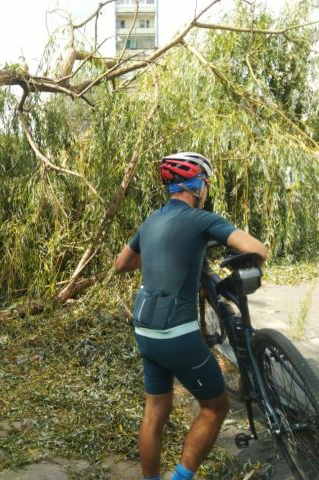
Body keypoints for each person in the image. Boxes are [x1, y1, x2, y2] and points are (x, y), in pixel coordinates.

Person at [114, 152, 268, 480]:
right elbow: (258, 249)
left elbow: (121, 264)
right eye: (206, 186)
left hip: (145, 331)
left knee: (155, 413)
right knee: (216, 408)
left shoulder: (151, 221)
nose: (207, 193)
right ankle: (181, 478)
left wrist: (159, 255)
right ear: (196, 186)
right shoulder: (201, 220)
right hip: (176, 334)